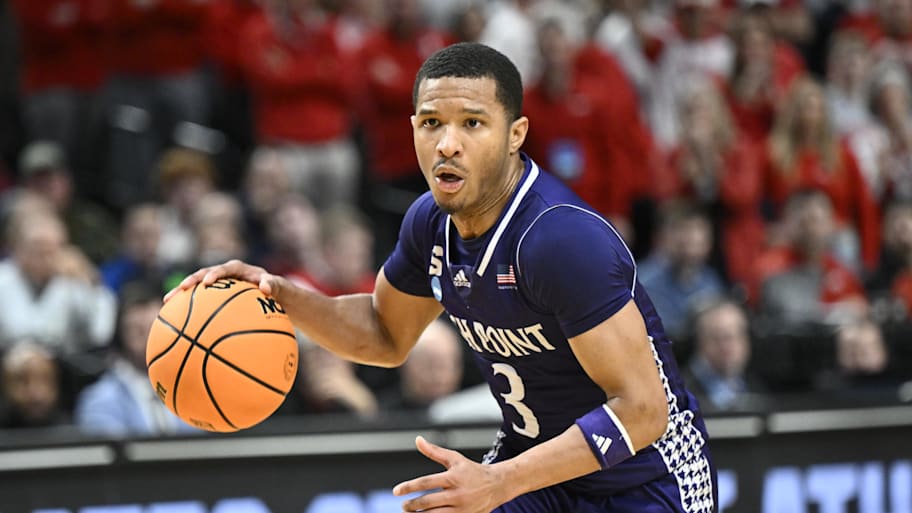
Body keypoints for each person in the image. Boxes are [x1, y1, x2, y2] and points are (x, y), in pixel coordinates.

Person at [168, 42, 716, 513]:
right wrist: (282, 295)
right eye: (432, 123)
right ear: (412, 130)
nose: (447, 144)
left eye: (472, 123)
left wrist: (499, 480)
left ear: (515, 134)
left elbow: (642, 411)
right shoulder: (430, 223)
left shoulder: (559, 240)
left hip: (644, 478)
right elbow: (383, 334)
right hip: (536, 469)